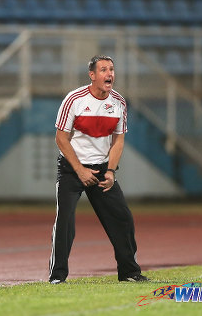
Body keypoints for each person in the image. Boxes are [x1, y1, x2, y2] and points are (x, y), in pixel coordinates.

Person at [49, 55, 148, 284]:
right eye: (103, 70)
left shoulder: (119, 103)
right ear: (92, 75)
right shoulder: (73, 99)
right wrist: (80, 170)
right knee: (65, 221)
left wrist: (111, 172)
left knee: (122, 218)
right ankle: (57, 277)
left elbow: (118, 141)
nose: (109, 74)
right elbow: (61, 139)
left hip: (102, 169)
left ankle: (129, 273)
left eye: (112, 69)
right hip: (72, 169)